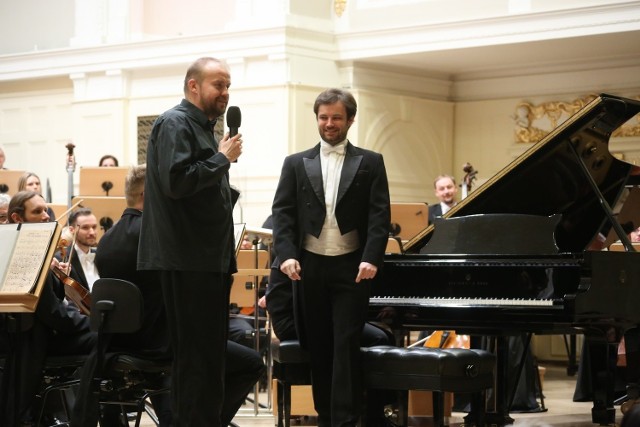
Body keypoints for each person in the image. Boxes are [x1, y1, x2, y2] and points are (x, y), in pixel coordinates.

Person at [72, 164, 264, 426]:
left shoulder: (108, 240)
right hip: (160, 344)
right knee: (251, 362)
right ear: (148, 195)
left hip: (119, 343)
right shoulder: (156, 236)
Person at [272, 88, 391, 426]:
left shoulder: (370, 161)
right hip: (310, 266)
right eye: (323, 117)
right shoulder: (295, 163)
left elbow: (379, 215)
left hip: (351, 267)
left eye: (336, 117)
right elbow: (283, 213)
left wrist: (372, 257)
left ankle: (346, 419)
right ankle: (326, 416)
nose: (329, 123)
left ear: (350, 120)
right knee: (320, 346)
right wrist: (286, 256)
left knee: (346, 343)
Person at [137, 56, 243, 427]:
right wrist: (221, 160)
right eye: (219, 85)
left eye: (228, 86)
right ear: (194, 86)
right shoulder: (175, 122)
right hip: (186, 260)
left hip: (207, 260)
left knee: (210, 359)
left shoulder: (205, 128)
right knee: (195, 361)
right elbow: (176, 182)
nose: (225, 93)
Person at [1, 190, 95, 426]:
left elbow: (52, 305)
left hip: (36, 336)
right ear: (17, 219)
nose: (46, 216)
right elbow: (53, 314)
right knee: (103, 337)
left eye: (45, 209)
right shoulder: (26, 255)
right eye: (37, 211)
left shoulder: (32, 250)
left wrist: (58, 277)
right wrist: (93, 322)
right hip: (32, 343)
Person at [61, 208, 100, 291]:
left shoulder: (102, 255)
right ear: (72, 230)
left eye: (94, 227)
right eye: (85, 228)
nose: (92, 232)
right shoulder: (63, 259)